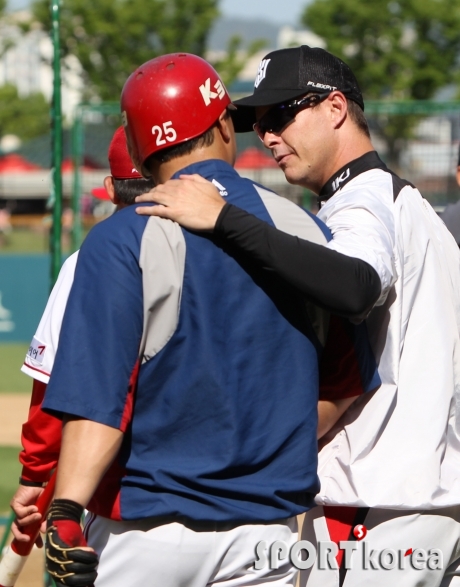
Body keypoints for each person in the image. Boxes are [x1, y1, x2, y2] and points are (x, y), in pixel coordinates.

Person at [39, 54, 379, 587]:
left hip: (144, 532)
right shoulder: (308, 231)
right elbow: (343, 384)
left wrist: (64, 512)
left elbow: (97, 404)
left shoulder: (120, 238)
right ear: (223, 124)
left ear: (134, 148)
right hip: (268, 536)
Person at [134, 46, 460, 587]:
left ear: (335, 107)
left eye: (282, 114)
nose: (266, 134)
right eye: (258, 123)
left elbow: (357, 285)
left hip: (383, 505)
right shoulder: (408, 204)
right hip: (429, 499)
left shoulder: (362, 202)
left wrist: (224, 219)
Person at [10, 126, 155, 546]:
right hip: (242, 506)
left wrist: (35, 475)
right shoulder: (224, 242)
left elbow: (51, 388)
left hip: (124, 498)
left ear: (110, 187)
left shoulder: (89, 258)